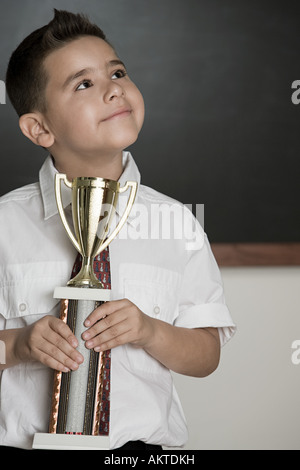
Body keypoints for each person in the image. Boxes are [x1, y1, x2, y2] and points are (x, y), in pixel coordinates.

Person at [0, 9, 235, 450]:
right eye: (83, 83)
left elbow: (207, 355)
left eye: (118, 72)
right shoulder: (4, 224)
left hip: (139, 452)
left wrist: (150, 330)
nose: (114, 89)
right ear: (39, 128)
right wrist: (17, 347)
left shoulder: (177, 223)